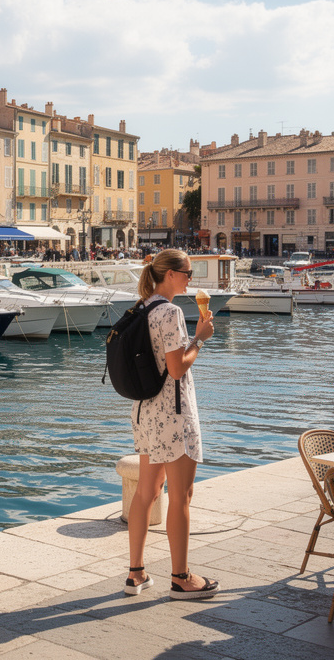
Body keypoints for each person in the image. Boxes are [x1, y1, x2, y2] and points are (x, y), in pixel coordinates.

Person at [125, 249, 218, 599]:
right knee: (181, 495)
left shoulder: (141, 308)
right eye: (187, 273)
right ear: (170, 274)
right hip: (173, 415)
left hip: (145, 412)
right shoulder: (170, 311)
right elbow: (177, 368)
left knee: (146, 492)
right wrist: (199, 339)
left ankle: (136, 573)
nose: (190, 279)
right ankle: (181, 577)